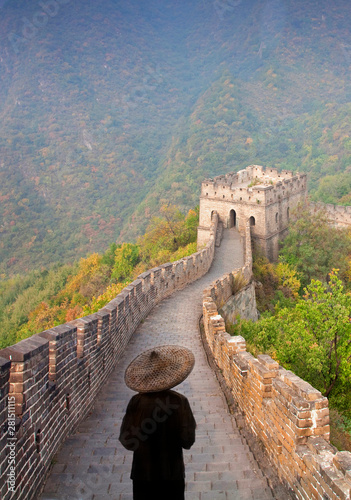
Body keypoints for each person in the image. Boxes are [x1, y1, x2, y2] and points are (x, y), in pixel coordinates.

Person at [119, 345, 196, 500]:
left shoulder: (136, 402)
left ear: (146, 377)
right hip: (172, 475)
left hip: (143, 476)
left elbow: (126, 441)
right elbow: (188, 441)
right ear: (169, 374)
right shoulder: (179, 402)